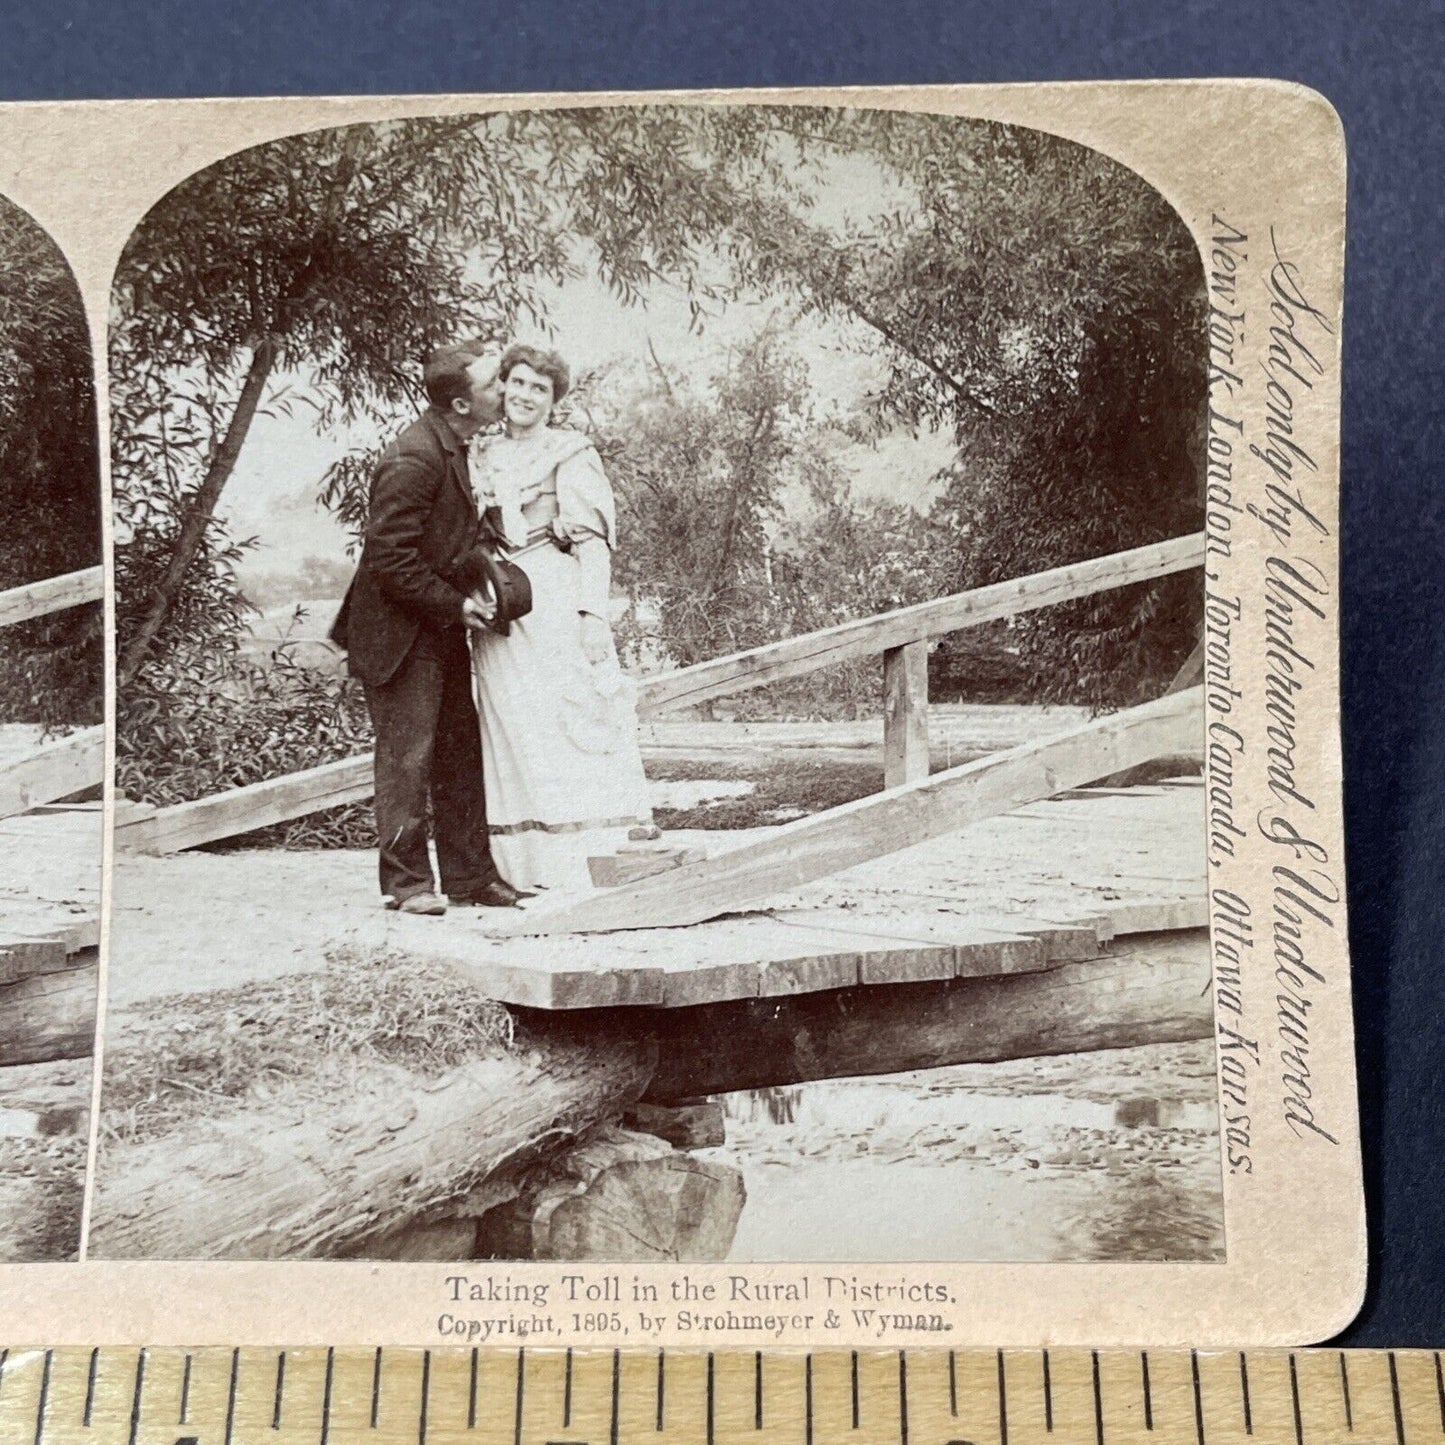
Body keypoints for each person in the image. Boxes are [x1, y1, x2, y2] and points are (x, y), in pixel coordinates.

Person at [330, 341, 528, 914]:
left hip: (435, 625)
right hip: (396, 635)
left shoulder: (456, 448)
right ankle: (408, 884)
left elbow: (444, 542)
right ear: (462, 404)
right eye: (495, 384)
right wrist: (455, 604)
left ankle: (470, 880)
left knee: (459, 753)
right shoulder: (414, 458)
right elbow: (390, 561)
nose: (506, 391)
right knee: (406, 760)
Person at [467, 343, 659, 892]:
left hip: (552, 597)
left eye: (539, 389)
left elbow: (593, 543)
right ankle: (527, 868)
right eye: (518, 383)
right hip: (499, 604)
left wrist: (592, 616)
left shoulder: (571, 452)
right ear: (503, 387)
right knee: (515, 725)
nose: (525, 396)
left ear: (554, 400)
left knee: (571, 720)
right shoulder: (479, 453)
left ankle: (587, 858)